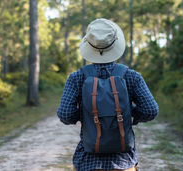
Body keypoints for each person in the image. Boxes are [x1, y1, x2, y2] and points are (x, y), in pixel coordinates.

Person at [57, 18, 159, 171]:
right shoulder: (131, 76)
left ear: (88, 45)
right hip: (123, 161)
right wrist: (128, 114)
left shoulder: (76, 78)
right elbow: (151, 110)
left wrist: (86, 114)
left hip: (88, 161)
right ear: (116, 45)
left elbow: (65, 114)